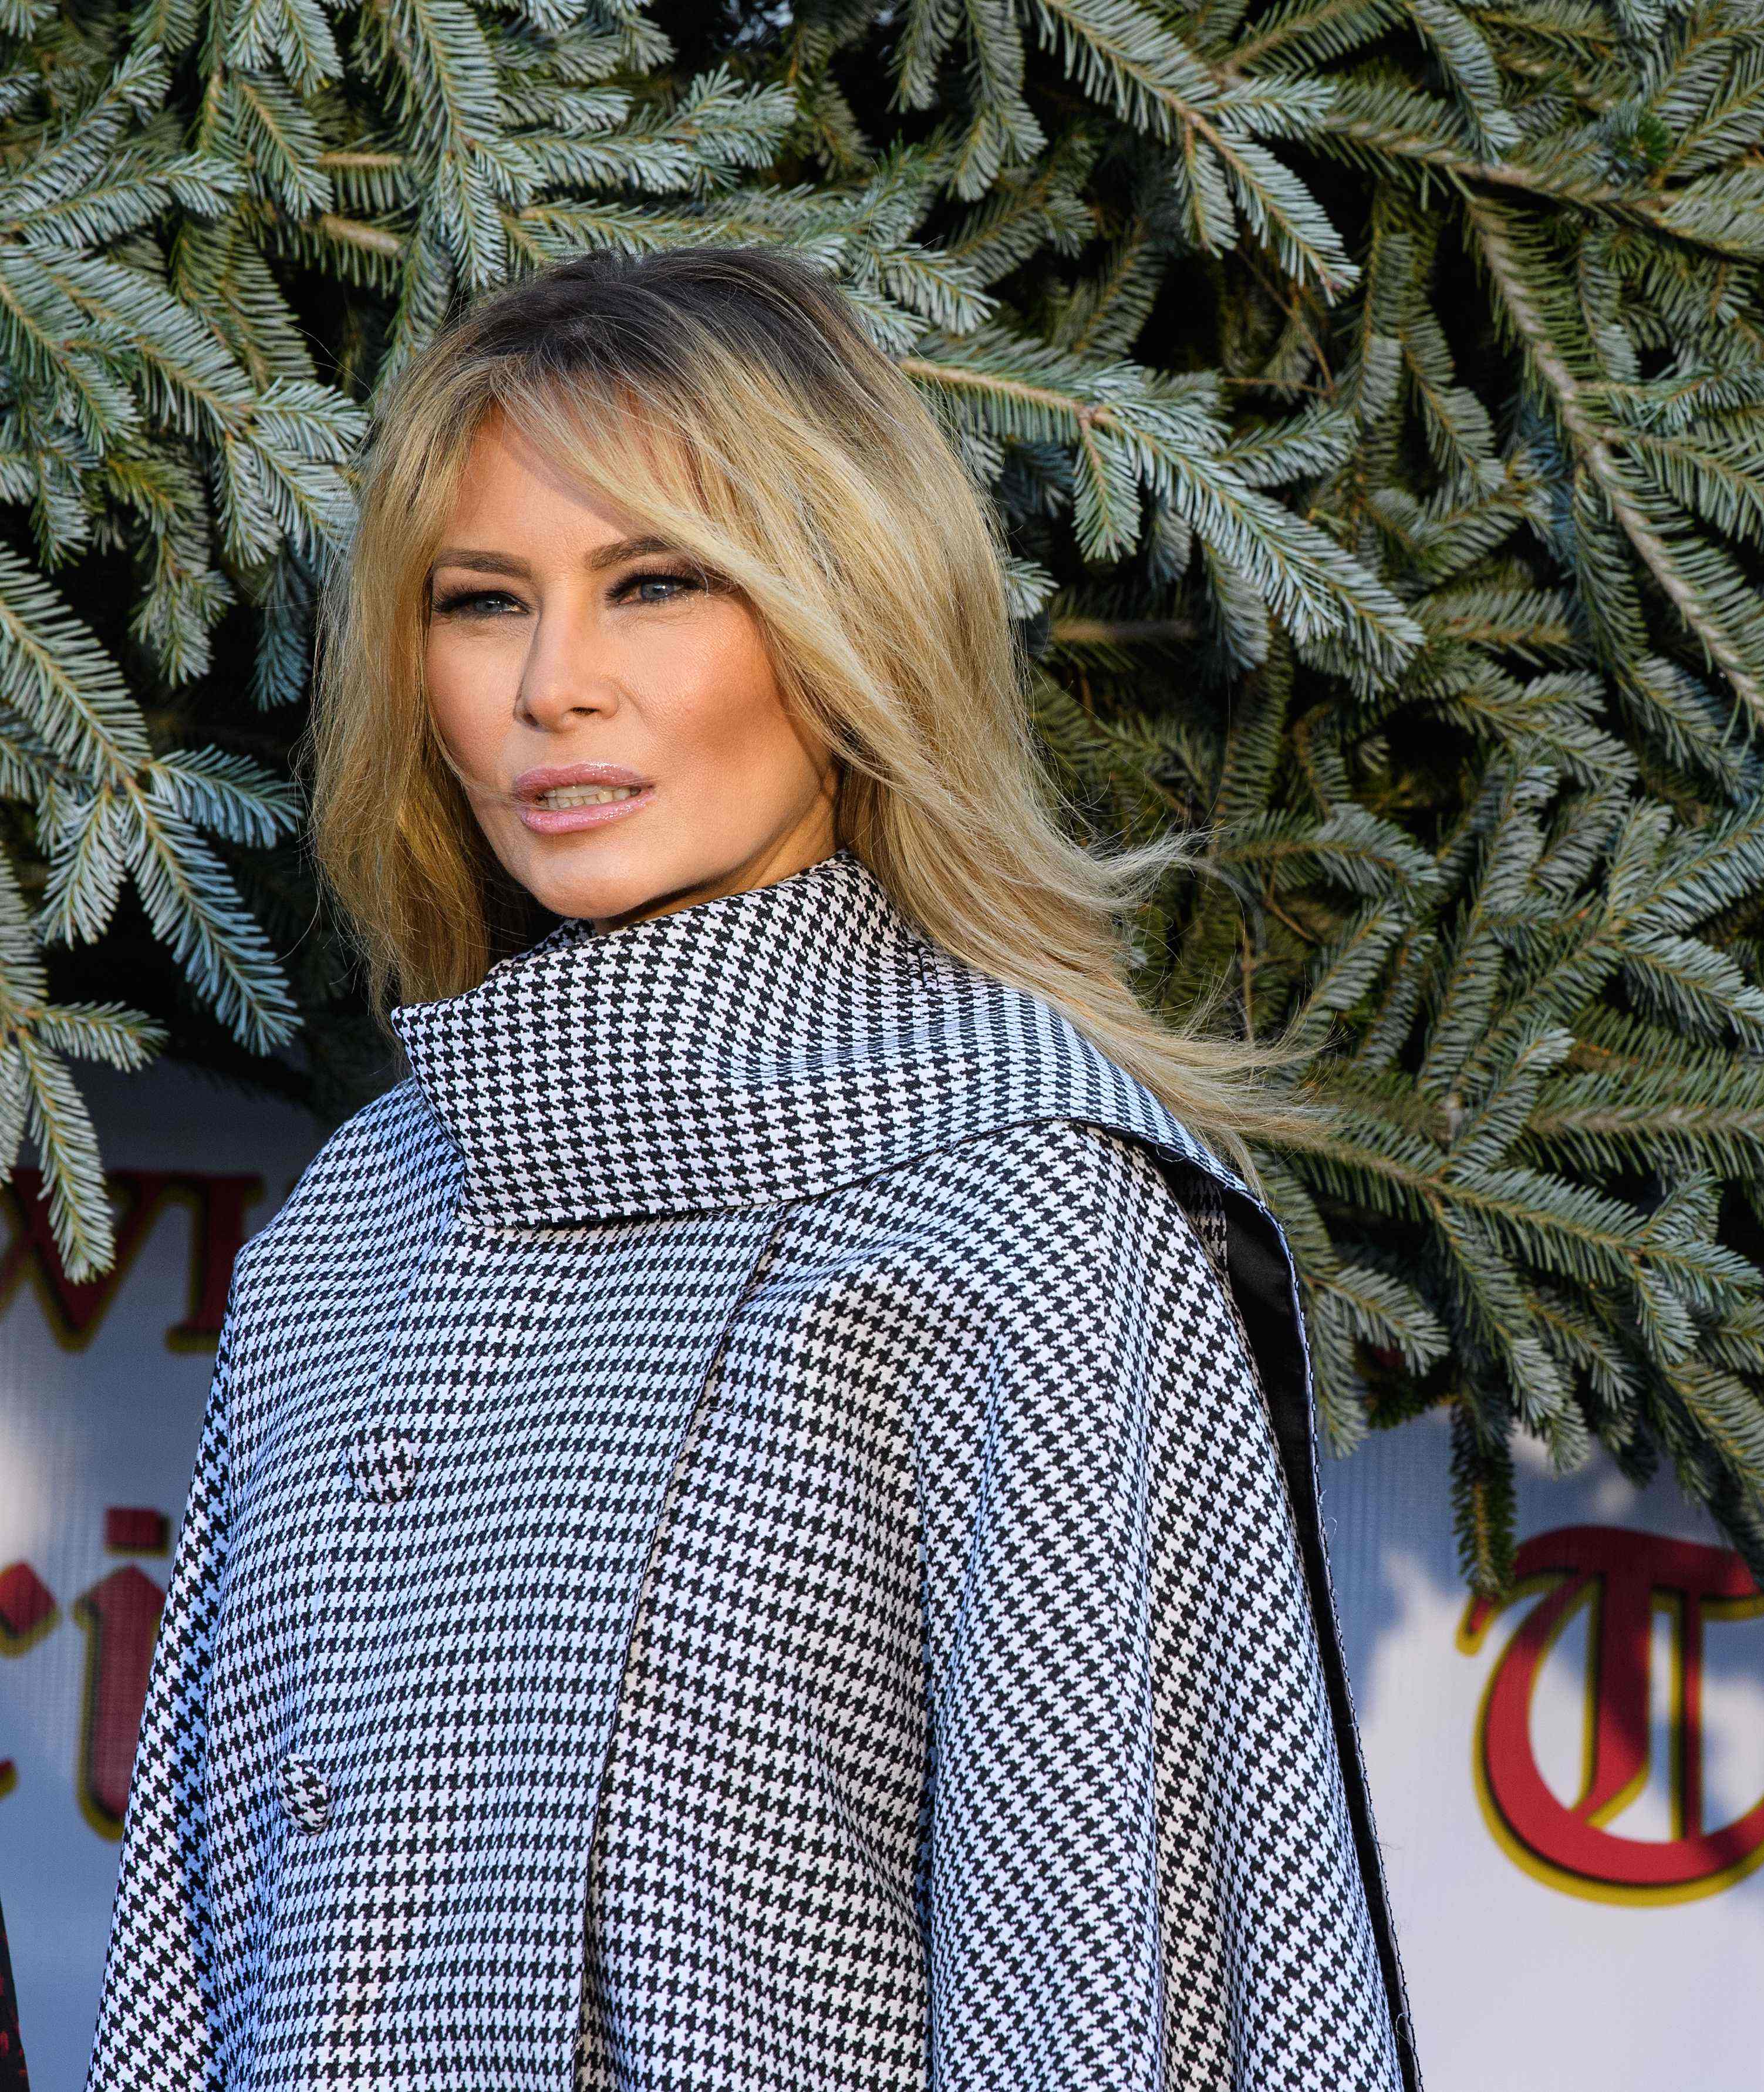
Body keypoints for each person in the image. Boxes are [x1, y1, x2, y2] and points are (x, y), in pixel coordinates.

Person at [83, 248, 1419, 2092]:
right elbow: (191, 1962)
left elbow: (1121, 2011)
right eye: (482, 602)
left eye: (655, 583)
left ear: (843, 617)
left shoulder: (1023, 1216)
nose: (557, 686)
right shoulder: (365, 1222)